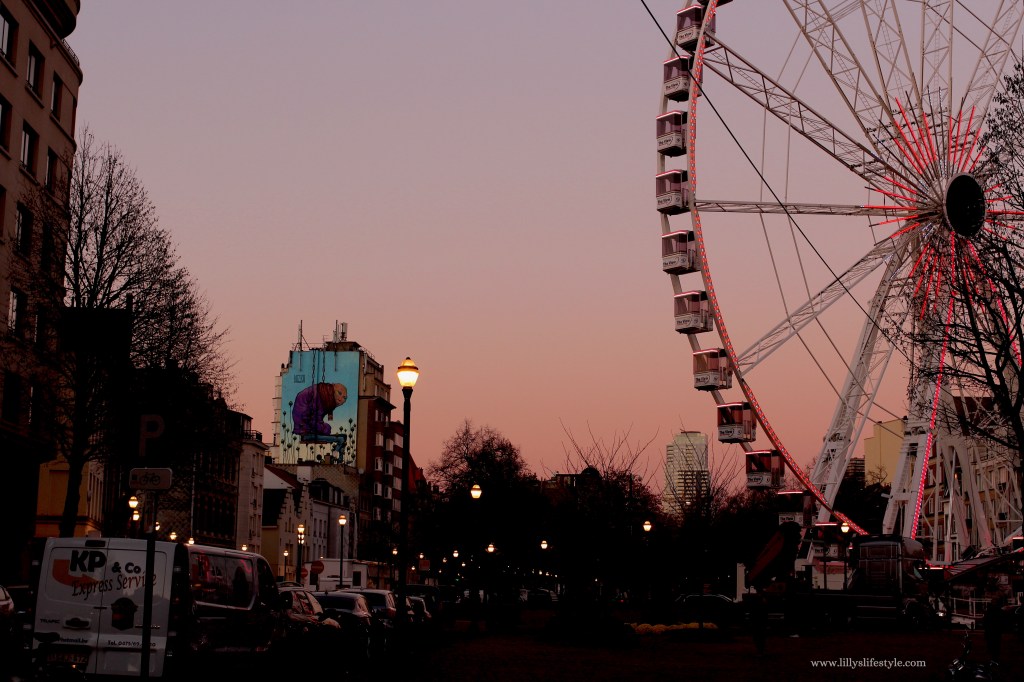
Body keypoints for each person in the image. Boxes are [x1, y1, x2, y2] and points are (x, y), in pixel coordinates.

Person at [983, 595, 1006, 663]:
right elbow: (1003, 621)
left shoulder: (989, 610)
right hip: (995, 631)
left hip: (991, 631)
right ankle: (995, 658)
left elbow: (985, 621)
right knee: (995, 645)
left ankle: (993, 658)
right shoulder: (999, 611)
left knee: (992, 645)